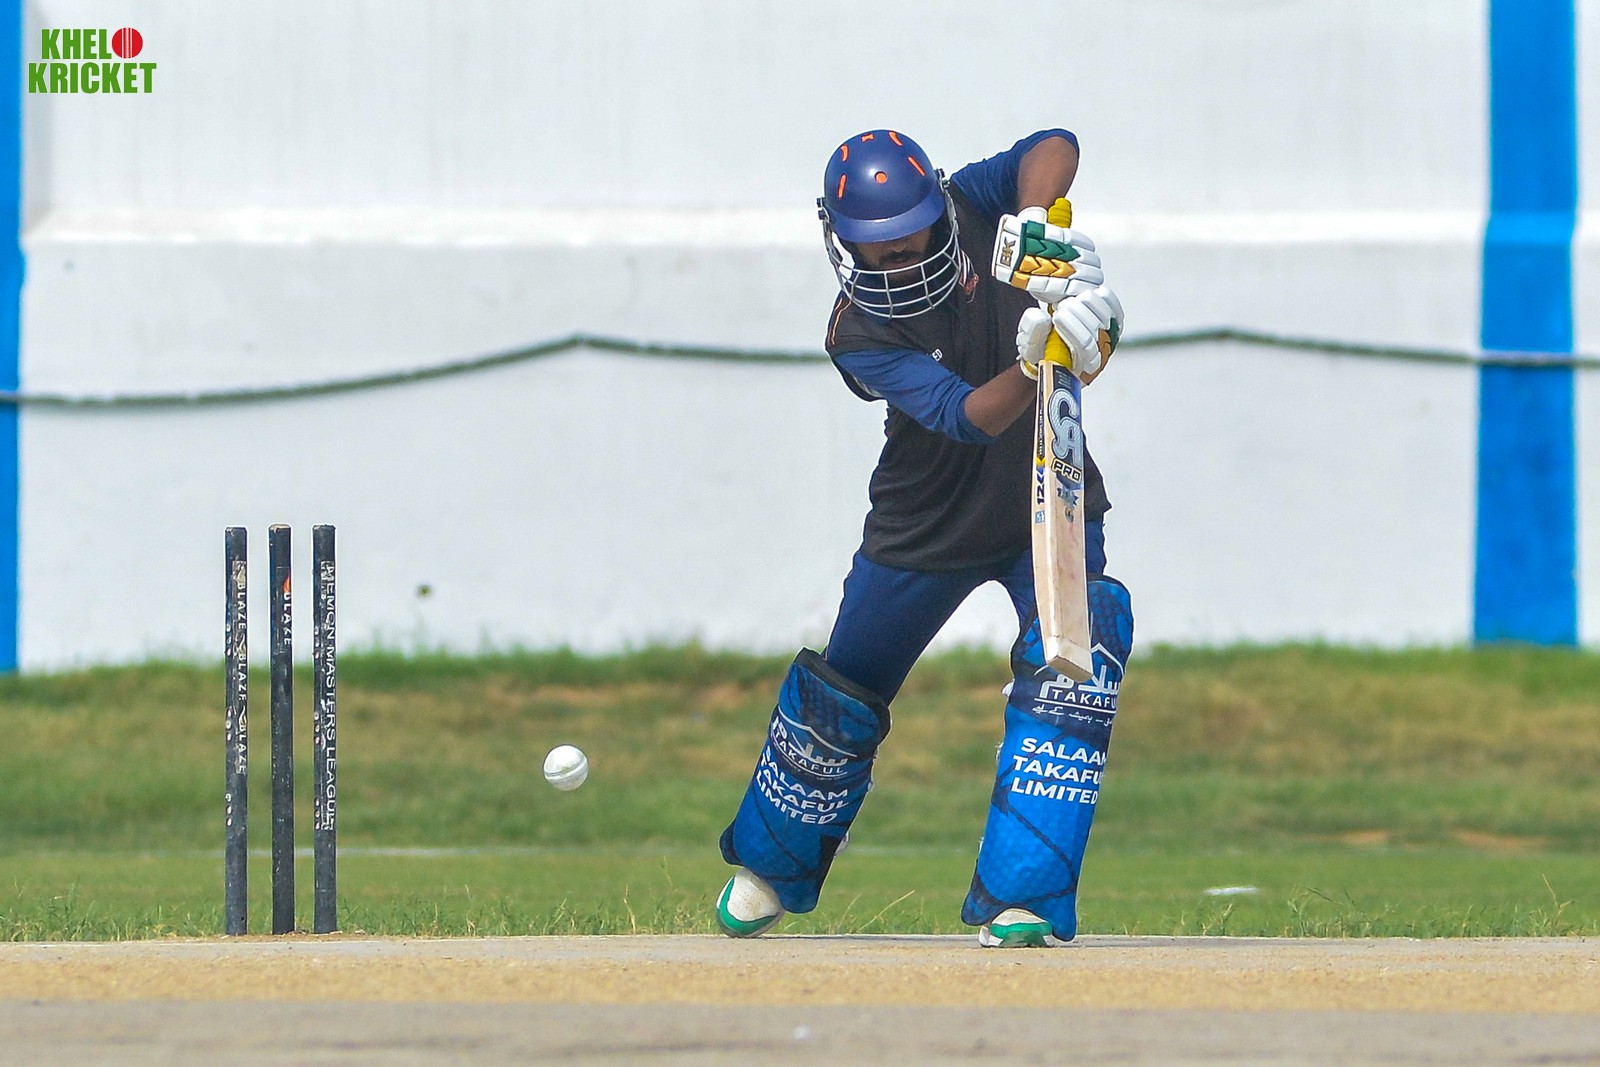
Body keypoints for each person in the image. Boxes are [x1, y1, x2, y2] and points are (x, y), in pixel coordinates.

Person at [716, 128, 1132, 947]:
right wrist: (1042, 361)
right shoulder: (856, 333)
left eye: (910, 243)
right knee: (845, 688)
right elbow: (961, 416)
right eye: (876, 255)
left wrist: (1036, 223)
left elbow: (1053, 144)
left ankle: (1025, 896)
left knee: (1072, 673)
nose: (899, 265)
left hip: (1047, 494)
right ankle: (770, 862)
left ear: (940, 208)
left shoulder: (974, 200)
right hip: (925, 521)